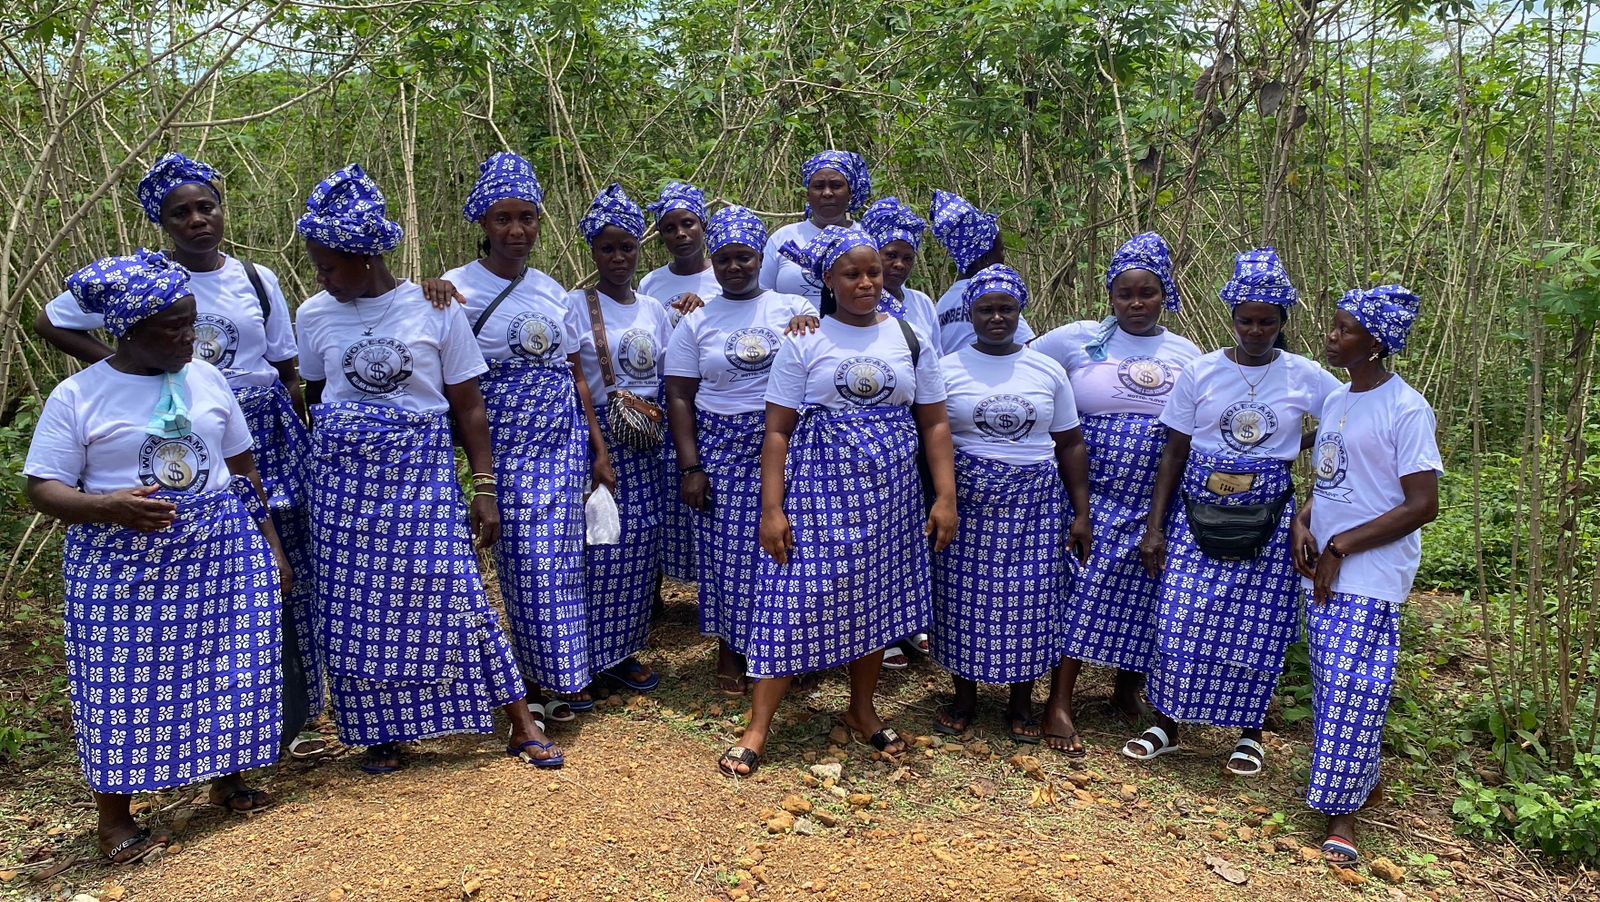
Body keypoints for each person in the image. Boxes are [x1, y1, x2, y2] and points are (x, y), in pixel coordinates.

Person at [32, 153, 326, 761]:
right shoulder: (139, 287)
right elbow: (51, 321)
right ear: (162, 224)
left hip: (250, 432)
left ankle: (282, 726)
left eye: (207, 206)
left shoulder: (252, 280)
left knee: (276, 581)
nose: (198, 219)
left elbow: (284, 368)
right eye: (181, 213)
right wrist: (120, 378)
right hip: (157, 465)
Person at [293, 164, 560, 773]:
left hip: (421, 474)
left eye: (329, 265)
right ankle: (381, 731)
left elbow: (469, 408)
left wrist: (484, 487)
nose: (321, 277)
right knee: (358, 606)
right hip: (342, 483)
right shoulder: (313, 314)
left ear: (364, 257)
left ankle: (517, 721)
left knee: (456, 589)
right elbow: (315, 392)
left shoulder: (436, 308)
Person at [25, 250, 289, 863]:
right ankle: (115, 823)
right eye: (173, 325)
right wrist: (110, 506)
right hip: (123, 559)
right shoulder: (77, 395)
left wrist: (271, 546)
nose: (188, 336)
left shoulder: (207, 378)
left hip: (221, 548)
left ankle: (228, 782)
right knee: (119, 682)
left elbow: (243, 467)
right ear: (129, 328)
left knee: (230, 667)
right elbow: (42, 487)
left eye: (190, 321)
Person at [717, 226, 958, 777]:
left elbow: (935, 421)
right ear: (829, 280)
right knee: (792, 600)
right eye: (852, 273)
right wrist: (771, 510)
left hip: (891, 500)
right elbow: (777, 430)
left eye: (873, 272)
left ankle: (862, 709)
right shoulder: (804, 339)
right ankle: (757, 728)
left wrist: (945, 494)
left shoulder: (909, 337)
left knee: (873, 603)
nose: (867, 282)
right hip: (819, 494)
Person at [1124, 248, 1341, 776]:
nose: (1255, 330)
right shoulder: (1202, 371)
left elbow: (1348, 417)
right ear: (1233, 318)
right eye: (1246, 320)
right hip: (1196, 510)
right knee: (1182, 616)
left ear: (1283, 321)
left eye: (1267, 321)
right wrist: (1155, 528)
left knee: (1257, 624)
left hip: (1268, 515)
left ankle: (1250, 732)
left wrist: (1292, 444)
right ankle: (1168, 722)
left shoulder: (1304, 375)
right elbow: (1174, 450)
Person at [422, 151, 615, 722]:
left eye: (527, 217)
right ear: (482, 222)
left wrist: (597, 448)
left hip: (563, 436)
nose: (516, 231)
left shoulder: (555, 291)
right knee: (529, 558)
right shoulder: (453, 288)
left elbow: (577, 373)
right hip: (507, 439)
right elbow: (446, 371)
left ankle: (565, 671)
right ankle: (544, 676)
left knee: (565, 556)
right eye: (503, 218)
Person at [1031, 233, 1202, 756]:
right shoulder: (1076, 339)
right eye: (1124, 293)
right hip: (1091, 490)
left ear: (1165, 295)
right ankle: (1059, 700)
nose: (1135, 303)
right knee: (1083, 586)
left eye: (1147, 293)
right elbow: (1022, 365)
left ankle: (1126, 690)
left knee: (1147, 587)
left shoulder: (1186, 352)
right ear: (1110, 295)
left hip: (1158, 494)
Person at [1292, 286, 1439, 868]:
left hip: (1370, 571)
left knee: (1355, 689)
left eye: (1344, 329)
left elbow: (1421, 503)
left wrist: (1342, 546)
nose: (1331, 335)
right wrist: (1305, 523)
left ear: (1376, 342)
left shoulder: (1407, 407)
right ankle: (1361, 781)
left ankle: (1343, 816)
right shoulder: (1339, 400)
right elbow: (1332, 480)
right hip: (1326, 564)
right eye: (1333, 325)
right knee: (1334, 683)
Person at [930, 264, 1092, 742]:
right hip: (970, 500)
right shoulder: (947, 368)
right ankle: (965, 696)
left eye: (1006, 308)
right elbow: (933, 437)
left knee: (1032, 597)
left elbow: (1069, 444)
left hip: (1036, 501)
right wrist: (939, 499)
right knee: (963, 597)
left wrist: (1081, 513)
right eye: (986, 309)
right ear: (971, 313)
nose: (997, 317)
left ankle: (1022, 702)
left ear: (1021, 311)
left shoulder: (1047, 369)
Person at [664, 206, 816, 695]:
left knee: (784, 549)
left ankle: (781, 653)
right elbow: (680, 396)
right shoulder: (697, 319)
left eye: (744, 257)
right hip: (720, 444)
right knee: (726, 554)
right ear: (714, 259)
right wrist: (692, 466)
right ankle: (731, 649)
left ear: (759, 259)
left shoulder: (791, 307)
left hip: (784, 438)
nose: (734, 267)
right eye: (725, 258)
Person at [567, 184, 672, 695]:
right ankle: (589, 654)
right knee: (601, 544)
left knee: (641, 545)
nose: (617, 257)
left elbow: (671, 376)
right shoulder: (575, 305)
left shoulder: (654, 309)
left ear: (639, 249)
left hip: (649, 438)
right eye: (607, 248)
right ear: (593, 249)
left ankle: (625, 649)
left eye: (626, 247)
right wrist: (597, 451)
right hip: (601, 436)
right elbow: (575, 380)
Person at [642, 181, 717, 587]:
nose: (680, 234)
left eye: (687, 223)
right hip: (668, 398)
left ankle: (714, 582)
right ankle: (658, 586)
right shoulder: (651, 283)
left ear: (702, 225)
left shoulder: (724, 269)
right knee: (668, 490)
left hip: (715, 398)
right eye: (669, 228)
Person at [928, 190, 1035, 354]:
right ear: (983, 258)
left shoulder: (943, 303)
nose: (1003, 257)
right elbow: (1030, 347)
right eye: (1001, 250)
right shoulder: (994, 296)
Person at [759, 151, 871, 304]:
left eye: (836, 186)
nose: (827, 193)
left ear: (850, 193)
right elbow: (762, 294)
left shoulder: (867, 238)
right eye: (818, 186)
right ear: (808, 194)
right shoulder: (783, 238)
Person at [859, 196, 940, 344]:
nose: (899, 264)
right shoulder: (858, 303)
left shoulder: (922, 303)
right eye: (891, 255)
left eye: (908, 258)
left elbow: (936, 357)